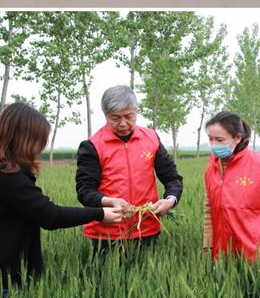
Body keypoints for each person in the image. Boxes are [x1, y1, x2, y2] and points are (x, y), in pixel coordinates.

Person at [0, 103, 122, 290]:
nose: (40, 148)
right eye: (39, 141)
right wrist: (100, 214)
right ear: (23, 139)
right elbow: (50, 215)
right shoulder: (2, 174)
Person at [76, 85, 183, 251]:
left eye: (128, 116)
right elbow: (85, 191)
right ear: (105, 115)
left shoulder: (151, 139)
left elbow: (172, 178)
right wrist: (110, 202)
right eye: (115, 118)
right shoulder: (92, 146)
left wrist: (170, 200)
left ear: (136, 112)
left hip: (146, 228)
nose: (123, 124)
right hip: (106, 233)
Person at [203, 111, 260, 283]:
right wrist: (208, 245)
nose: (214, 144)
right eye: (211, 139)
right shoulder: (212, 168)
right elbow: (209, 210)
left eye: (220, 140)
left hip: (259, 250)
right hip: (225, 252)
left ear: (237, 138)